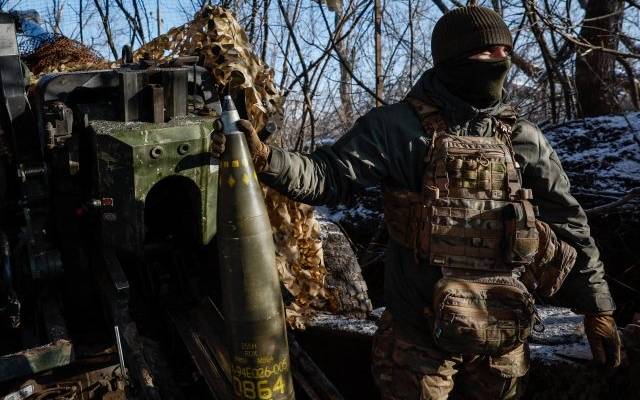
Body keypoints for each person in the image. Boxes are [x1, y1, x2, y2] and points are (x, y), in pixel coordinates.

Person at [211, 6, 621, 399]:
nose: (501, 59)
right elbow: (326, 176)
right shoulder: (396, 127)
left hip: (502, 333)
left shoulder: (523, 137)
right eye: (488, 50)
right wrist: (266, 158)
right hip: (418, 337)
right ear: (454, 58)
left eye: (506, 51)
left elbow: (569, 221)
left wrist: (597, 308)